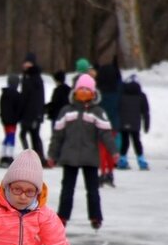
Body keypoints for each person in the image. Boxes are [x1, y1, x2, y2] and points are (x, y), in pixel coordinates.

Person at [47, 73, 118, 230]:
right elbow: (57, 135)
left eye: (87, 90)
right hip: (69, 157)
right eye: (81, 90)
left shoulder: (97, 112)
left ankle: (95, 217)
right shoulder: (66, 111)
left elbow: (106, 134)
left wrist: (114, 151)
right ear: (75, 92)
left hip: (90, 158)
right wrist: (52, 154)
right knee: (67, 189)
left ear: (93, 93)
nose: (84, 93)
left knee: (92, 190)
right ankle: (63, 216)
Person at [95, 57, 122, 186]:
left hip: (101, 123)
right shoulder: (117, 90)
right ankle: (110, 173)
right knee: (111, 149)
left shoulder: (99, 92)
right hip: (114, 123)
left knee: (102, 149)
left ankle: (102, 173)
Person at [118, 74, 150, 170]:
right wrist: (146, 125)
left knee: (124, 142)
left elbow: (117, 108)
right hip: (135, 123)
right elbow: (145, 112)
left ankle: (122, 160)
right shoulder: (141, 95)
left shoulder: (121, 94)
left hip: (123, 122)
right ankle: (141, 160)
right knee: (137, 141)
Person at [19, 52, 46, 164]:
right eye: (25, 63)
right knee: (24, 134)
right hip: (26, 112)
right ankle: (31, 157)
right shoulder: (26, 77)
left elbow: (39, 98)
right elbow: (24, 96)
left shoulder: (36, 78)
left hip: (34, 113)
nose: (26, 65)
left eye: (29, 63)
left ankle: (39, 158)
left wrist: (39, 114)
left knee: (34, 135)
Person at [0, 74, 22, 166]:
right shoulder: (17, 95)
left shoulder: (4, 94)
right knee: (11, 136)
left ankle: (4, 154)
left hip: (5, 120)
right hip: (12, 120)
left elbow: (1, 107)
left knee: (7, 136)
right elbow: (19, 108)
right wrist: (18, 117)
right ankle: (8, 155)